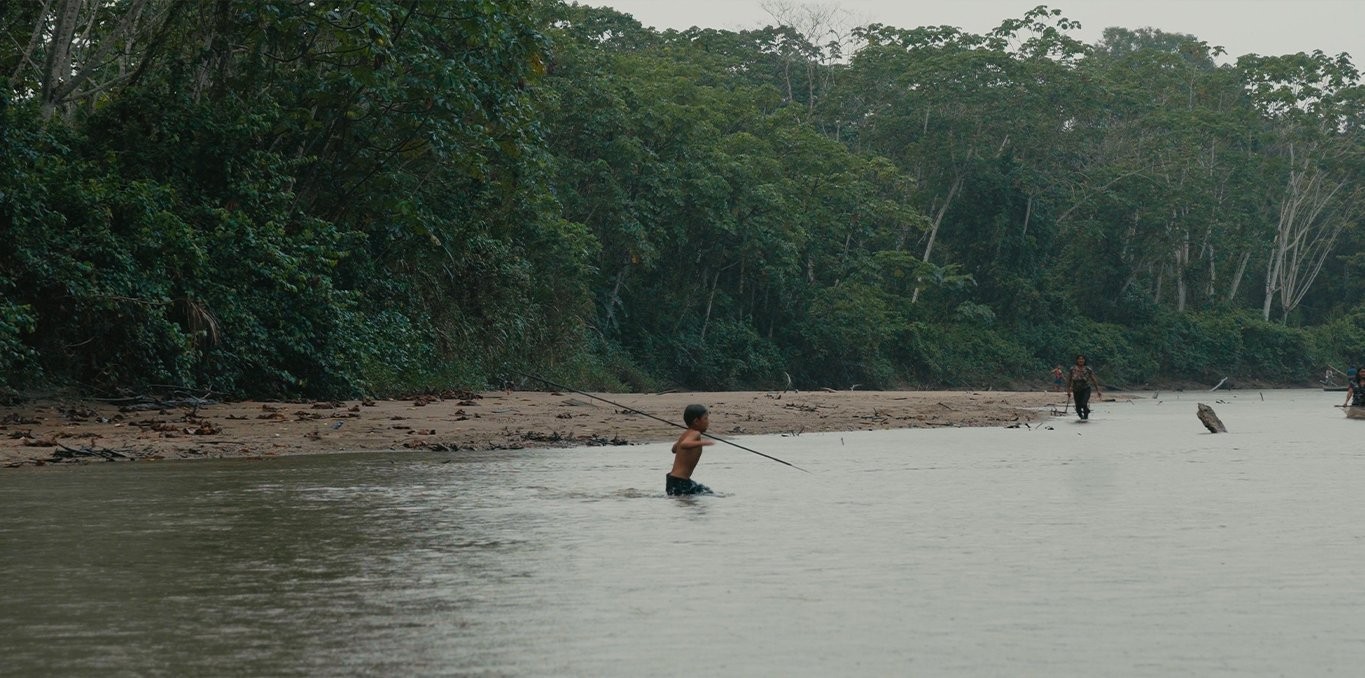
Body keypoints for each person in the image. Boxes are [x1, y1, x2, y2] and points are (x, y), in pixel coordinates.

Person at [667, 404, 715, 496]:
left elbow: (674, 449)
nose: (708, 422)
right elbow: (684, 444)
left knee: (707, 492)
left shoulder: (686, 433)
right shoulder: (695, 434)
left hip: (674, 480)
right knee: (708, 495)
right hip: (679, 482)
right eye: (705, 419)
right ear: (696, 421)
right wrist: (704, 443)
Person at [1066, 354, 1102, 420]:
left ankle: (1086, 416)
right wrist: (1068, 390)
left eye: (1082, 359)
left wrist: (1098, 390)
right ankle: (1082, 418)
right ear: (1077, 360)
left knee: (1084, 404)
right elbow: (1069, 380)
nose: (1081, 360)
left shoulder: (1088, 369)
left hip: (1086, 389)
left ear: (1084, 360)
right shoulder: (1072, 369)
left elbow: (1093, 379)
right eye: (1079, 359)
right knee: (1078, 408)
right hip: (1076, 390)